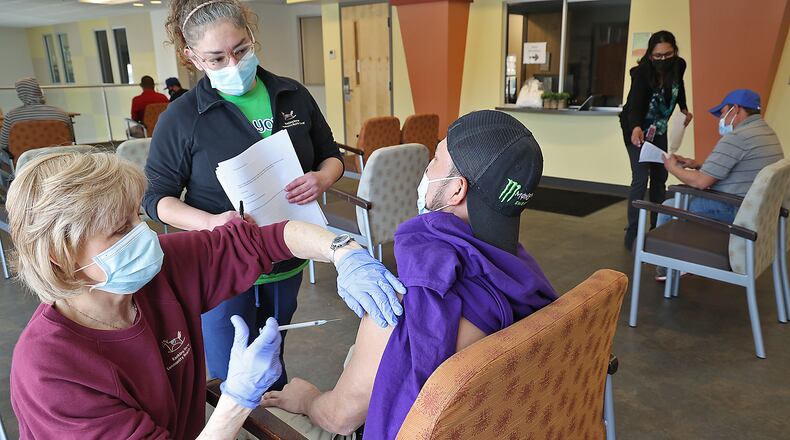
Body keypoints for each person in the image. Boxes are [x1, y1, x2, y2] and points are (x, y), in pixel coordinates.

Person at [8, 151, 405, 439]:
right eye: (118, 230)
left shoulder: (158, 272)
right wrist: (237, 398)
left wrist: (344, 252)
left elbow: (265, 240)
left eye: (136, 218)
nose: (144, 235)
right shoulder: (51, 370)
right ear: (60, 256)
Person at [261, 111, 557, 439]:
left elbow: (340, 418)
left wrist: (306, 398)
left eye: (434, 159)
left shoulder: (401, 300)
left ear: (457, 190)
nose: (426, 169)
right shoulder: (523, 274)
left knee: (270, 411)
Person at [144, 0, 352, 388]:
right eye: (217, 58)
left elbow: (331, 156)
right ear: (192, 58)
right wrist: (211, 221)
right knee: (231, 374)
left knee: (272, 355)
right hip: (220, 264)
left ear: (252, 37)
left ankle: (274, 421)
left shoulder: (292, 94)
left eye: (240, 50)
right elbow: (157, 199)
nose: (233, 65)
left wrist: (322, 178)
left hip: (287, 255)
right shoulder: (183, 117)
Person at [655, 89, 784, 280]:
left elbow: (700, 182)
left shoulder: (737, 137)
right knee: (683, 200)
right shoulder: (766, 133)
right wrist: (696, 164)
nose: (721, 119)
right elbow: (737, 168)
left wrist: (671, 167)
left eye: (723, 113)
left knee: (668, 207)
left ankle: (667, 269)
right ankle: (683, 259)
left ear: (736, 110)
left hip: (732, 209)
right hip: (755, 211)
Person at [620, 30, 693, 250]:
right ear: (650, 55)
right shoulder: (641, 72)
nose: (662, 60)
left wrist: (684, 108)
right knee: (641, 178)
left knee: (660, 177)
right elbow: (634, 103)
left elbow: (679, 87)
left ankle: (657, 229)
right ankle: (632, 234)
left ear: (674, 52)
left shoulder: (679, 65)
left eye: (667, 54)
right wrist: (635, 128)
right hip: (636, 128)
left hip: (658, 128)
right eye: (657, 56)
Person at [0, 77, 71, 155]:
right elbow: (70, 140)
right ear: (39, 91)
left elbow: (3, 144)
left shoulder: (11, 116)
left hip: (25, 164)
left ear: (21, 95)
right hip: (58, 161)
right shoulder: (61, 114)